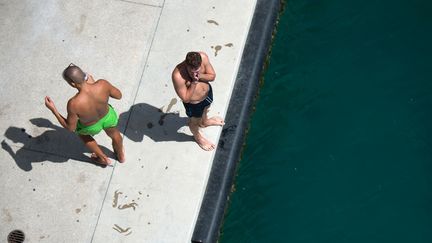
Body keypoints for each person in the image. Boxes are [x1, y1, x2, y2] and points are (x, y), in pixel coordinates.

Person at [44, 63, 125, 165]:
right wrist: (95, 84)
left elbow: (70, 128)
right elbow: (119, 96)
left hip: (91, 127)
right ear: (84, 75)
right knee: (115, 134)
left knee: (83, 135)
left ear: (72, 84)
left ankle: (103, 158)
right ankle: (121, 156)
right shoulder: (102, 84)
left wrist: (53, 110)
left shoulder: (73, 104)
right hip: (108, 117)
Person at [172, 51, 225, 151]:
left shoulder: (203, 57)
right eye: (192, 71)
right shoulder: (177, 75)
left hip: (207, 94)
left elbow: (212, 76)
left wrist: (200, 76)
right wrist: (194, 82)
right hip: (194, 104)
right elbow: (186, 98)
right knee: (194, 122)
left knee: (206, 109)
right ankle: (198, 137)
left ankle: (205, 122)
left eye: (198, 69)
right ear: (186, 65)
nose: (195, 72)